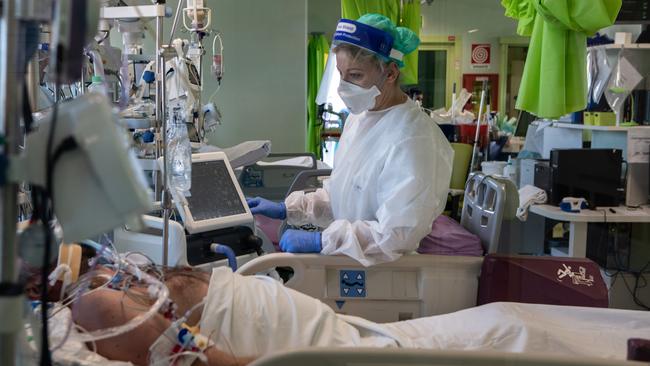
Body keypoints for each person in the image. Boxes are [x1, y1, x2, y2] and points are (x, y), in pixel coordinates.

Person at [68, 265, 650, 366]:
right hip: (339, 349)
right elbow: (222, 364)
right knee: (511, 331)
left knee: (510, 322)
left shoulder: (97, 285)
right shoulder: (93, 304)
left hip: (348, 338)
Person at [247, 14, 454, 266]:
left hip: (385, 271)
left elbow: (397, 234)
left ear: (390, 73)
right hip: (351, 261)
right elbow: (343, 195)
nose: (343, 87)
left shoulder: (413, 138)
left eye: (355, 75)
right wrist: (290, 209)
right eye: (341, 74)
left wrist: (323, 241)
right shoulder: (360, 118)